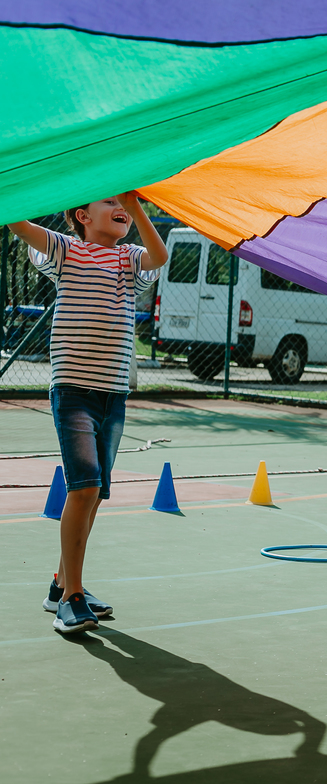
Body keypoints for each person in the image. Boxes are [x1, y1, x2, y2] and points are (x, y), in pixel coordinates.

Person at [7, 194, 166, 632]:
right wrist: (25, 183)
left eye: (124, 204)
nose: (121, 206)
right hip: (74, 392)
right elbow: (19, 225)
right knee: (84, 487)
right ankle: (71, 599)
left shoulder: (129, 260)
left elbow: (160, 255)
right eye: (110, 200)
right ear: (82, 214)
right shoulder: (65, 250)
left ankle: (62, 585)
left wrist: (137, 209)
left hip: (113, 395)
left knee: (93, 493)